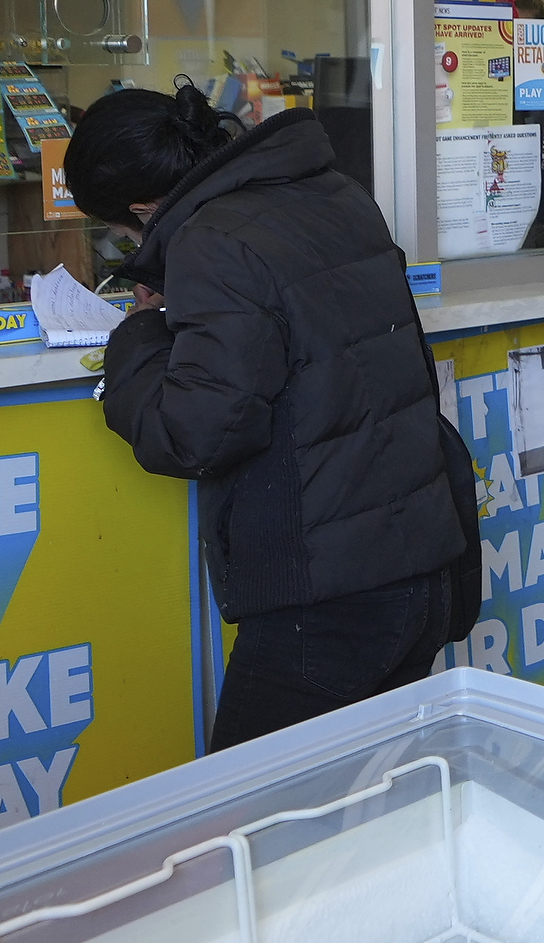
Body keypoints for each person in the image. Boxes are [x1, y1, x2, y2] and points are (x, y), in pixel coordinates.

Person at [74, 85, 463, 750]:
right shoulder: (330, 191)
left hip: (327, 596)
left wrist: (138, 336)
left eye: (123, 232)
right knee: (379, 819)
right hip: (416, 562)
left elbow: (197, 434)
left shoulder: (212, 239)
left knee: (252, 830)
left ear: (143, 208)